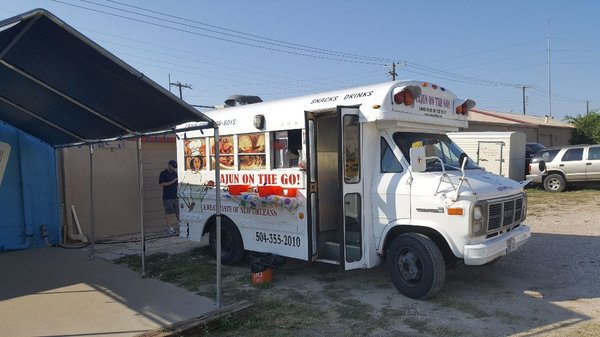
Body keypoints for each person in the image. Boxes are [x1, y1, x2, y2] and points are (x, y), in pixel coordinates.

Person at [159, 160, 179, 234]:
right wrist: (173, 181)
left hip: (176, 196)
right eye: (173, 167)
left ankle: (181, 225)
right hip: (167, 197)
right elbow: (161, 184)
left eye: (175, 168)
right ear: (169, 166)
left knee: (178, 212)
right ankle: (170, 228)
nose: (174, 169)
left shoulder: (175, 173)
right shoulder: (163, 174)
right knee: (168, 213)